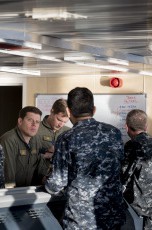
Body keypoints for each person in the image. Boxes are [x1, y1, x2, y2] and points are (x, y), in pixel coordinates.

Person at [45, 87, 125, 229]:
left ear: (68, 112)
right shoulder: (114, 133)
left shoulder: (66, 138)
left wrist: (47, 182)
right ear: (94, 110)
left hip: (82, 221)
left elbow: (56, 184)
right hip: (113, 216)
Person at [121, 109, 152, 229]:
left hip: (141, 209)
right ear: (147, 126)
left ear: (126, 127)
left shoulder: (132, 146)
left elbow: (123, 177)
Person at [0, 106, 46, 187]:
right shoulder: (8, 140)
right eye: (30, 120)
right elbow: (8, 177)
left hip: (29, 192)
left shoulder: (36, 140)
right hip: (12, 193)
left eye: (37, 122)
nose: (34, 125)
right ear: (20, 121)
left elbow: (39, 171)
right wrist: (11, 197)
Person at [35, 98, 70, 165]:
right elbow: (24, 158)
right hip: (37, 174)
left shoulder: (69, 132)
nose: (61, 125)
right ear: (52, 112)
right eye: (59, 120)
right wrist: (46, 154)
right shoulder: (35, 129)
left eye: (65, 122)